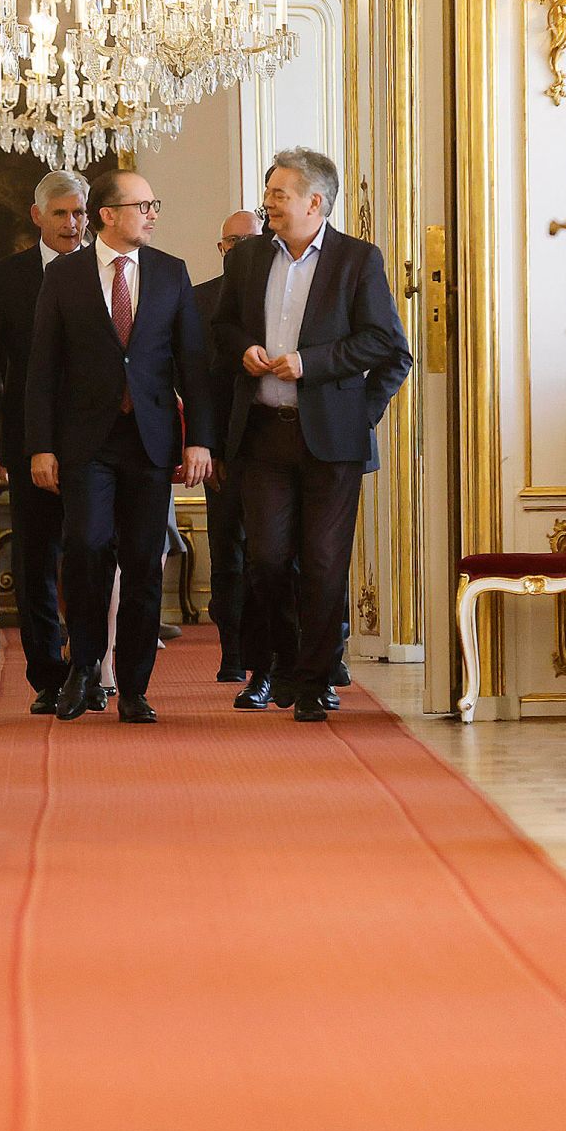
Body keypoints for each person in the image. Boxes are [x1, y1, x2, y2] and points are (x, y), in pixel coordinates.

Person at [214, 148, 412, 721]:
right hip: (262, 437)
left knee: (325, 564)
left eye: (279, 194)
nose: (269, 203)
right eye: (269, 192)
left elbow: (387, 346)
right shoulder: (248, 258)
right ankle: (275, 664)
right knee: (268, 561)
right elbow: (221, 328)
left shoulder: (358, 260)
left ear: (314, 202)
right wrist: (243, 351)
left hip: (331, 440)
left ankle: (313, 680)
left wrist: (320, 372)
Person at [26, 169, 213, 724]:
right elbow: (43, 369)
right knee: (85, 546)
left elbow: (193, 365)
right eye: (143, 205)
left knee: (142, 564)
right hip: (86, 442)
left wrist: (199, 439)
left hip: (150, 443)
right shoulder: (64, 277)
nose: (153, 214)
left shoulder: (170, 273)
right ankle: (84, 666)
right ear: (108, 214)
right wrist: (41, 445)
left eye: (155, 204)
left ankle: (133, 685)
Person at [0, 169, 88, 714]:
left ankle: (90, 667)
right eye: (61, 213)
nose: (72, 223)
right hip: (27, 437)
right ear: (38, 217)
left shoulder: (106, 272)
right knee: (37, 556)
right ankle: (48, 675)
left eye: (80, 213)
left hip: (93, 440)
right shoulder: (10, 278)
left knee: (90, 553)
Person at [193, 208, 264, 682]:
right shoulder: (198, 301)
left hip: (272, 444)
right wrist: (207, 446)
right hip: (221, 448)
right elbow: (196, 381)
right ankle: (232, 652)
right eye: (228, 243)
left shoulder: (277, 295)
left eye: (246, 242)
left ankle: (278, 655)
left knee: (274, 555)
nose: (235, 251)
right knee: (227, 553)